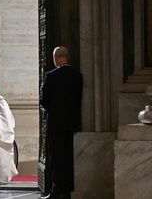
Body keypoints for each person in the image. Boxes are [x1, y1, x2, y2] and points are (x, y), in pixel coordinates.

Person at [40, 46, 83, 199]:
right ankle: (69, 190)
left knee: (57, 158)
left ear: (55, 58)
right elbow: (78, 99)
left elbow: (43, 100)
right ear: (68, 57)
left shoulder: (51, 76)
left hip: (55, 124)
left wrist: (54, 111)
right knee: (69, 156)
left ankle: (57, 190)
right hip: (72, 123)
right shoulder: (77, 76)